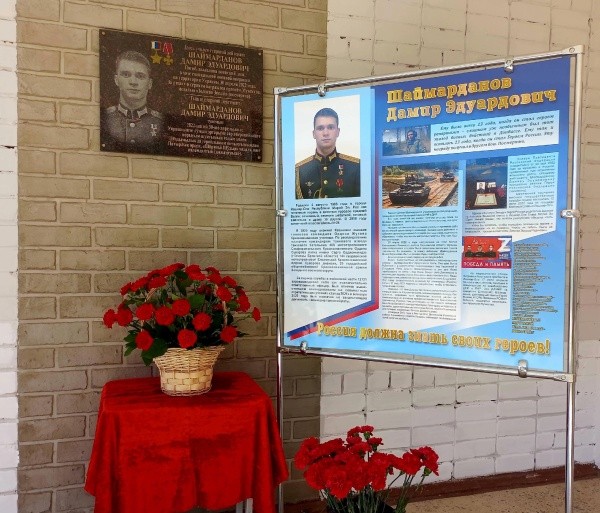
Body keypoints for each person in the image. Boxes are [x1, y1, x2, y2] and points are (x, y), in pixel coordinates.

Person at [101, 50, 164, 154]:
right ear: (116, 80)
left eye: (140, 76)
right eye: (126, 75)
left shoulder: (161, 122)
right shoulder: (104, 118)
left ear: (150, 84)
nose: (133, 82)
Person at [295, 107, 360, 199]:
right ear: (314, 134)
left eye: (330, 127)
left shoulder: (356, 168)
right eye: (320, 128)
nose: (325, 133)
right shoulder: (299, 171)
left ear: (338, 132)